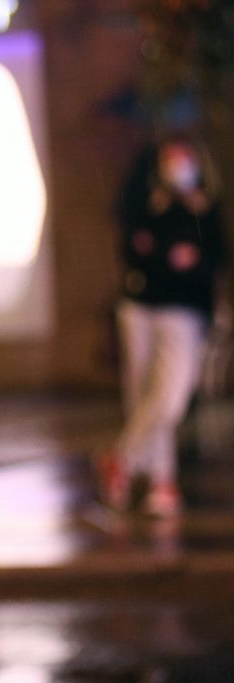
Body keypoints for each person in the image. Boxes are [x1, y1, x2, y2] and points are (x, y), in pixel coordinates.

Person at [98, 133, 228, 517]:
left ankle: (120, 459)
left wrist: (172, 254)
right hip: (139, 308)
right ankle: (161, 481)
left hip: (184, 314)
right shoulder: (144, 199)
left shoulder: (205, 209)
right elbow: (137, 253)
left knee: (169, 397)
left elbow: (211, 260)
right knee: (142, 393)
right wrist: (169, 256)